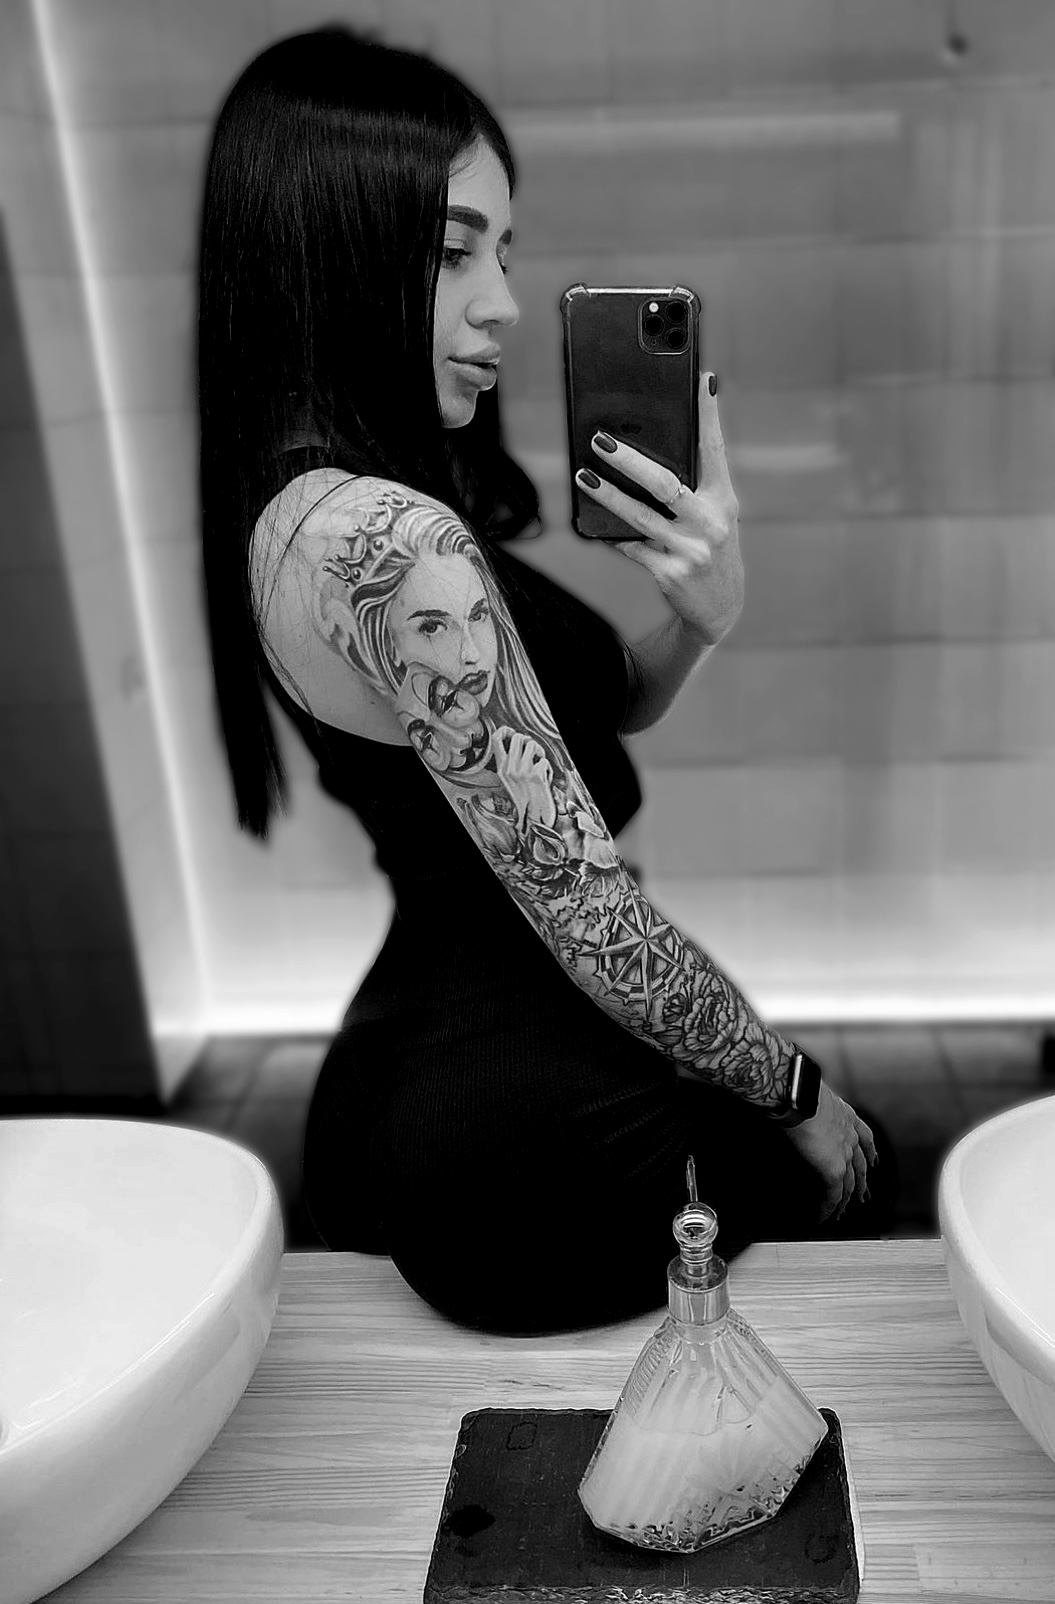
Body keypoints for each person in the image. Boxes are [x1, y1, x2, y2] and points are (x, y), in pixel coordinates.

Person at [197, 25, 895, 1336]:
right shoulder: (387, 540)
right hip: (518, 1124)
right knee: (862, 1174)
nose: (504, 306)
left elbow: (594, 714)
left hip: (453, 1063)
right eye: (454, 251)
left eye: (504, 256)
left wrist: (699, 620)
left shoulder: (312, 501)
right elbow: (588, 915)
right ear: (328, 246)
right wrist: (799, 1091)